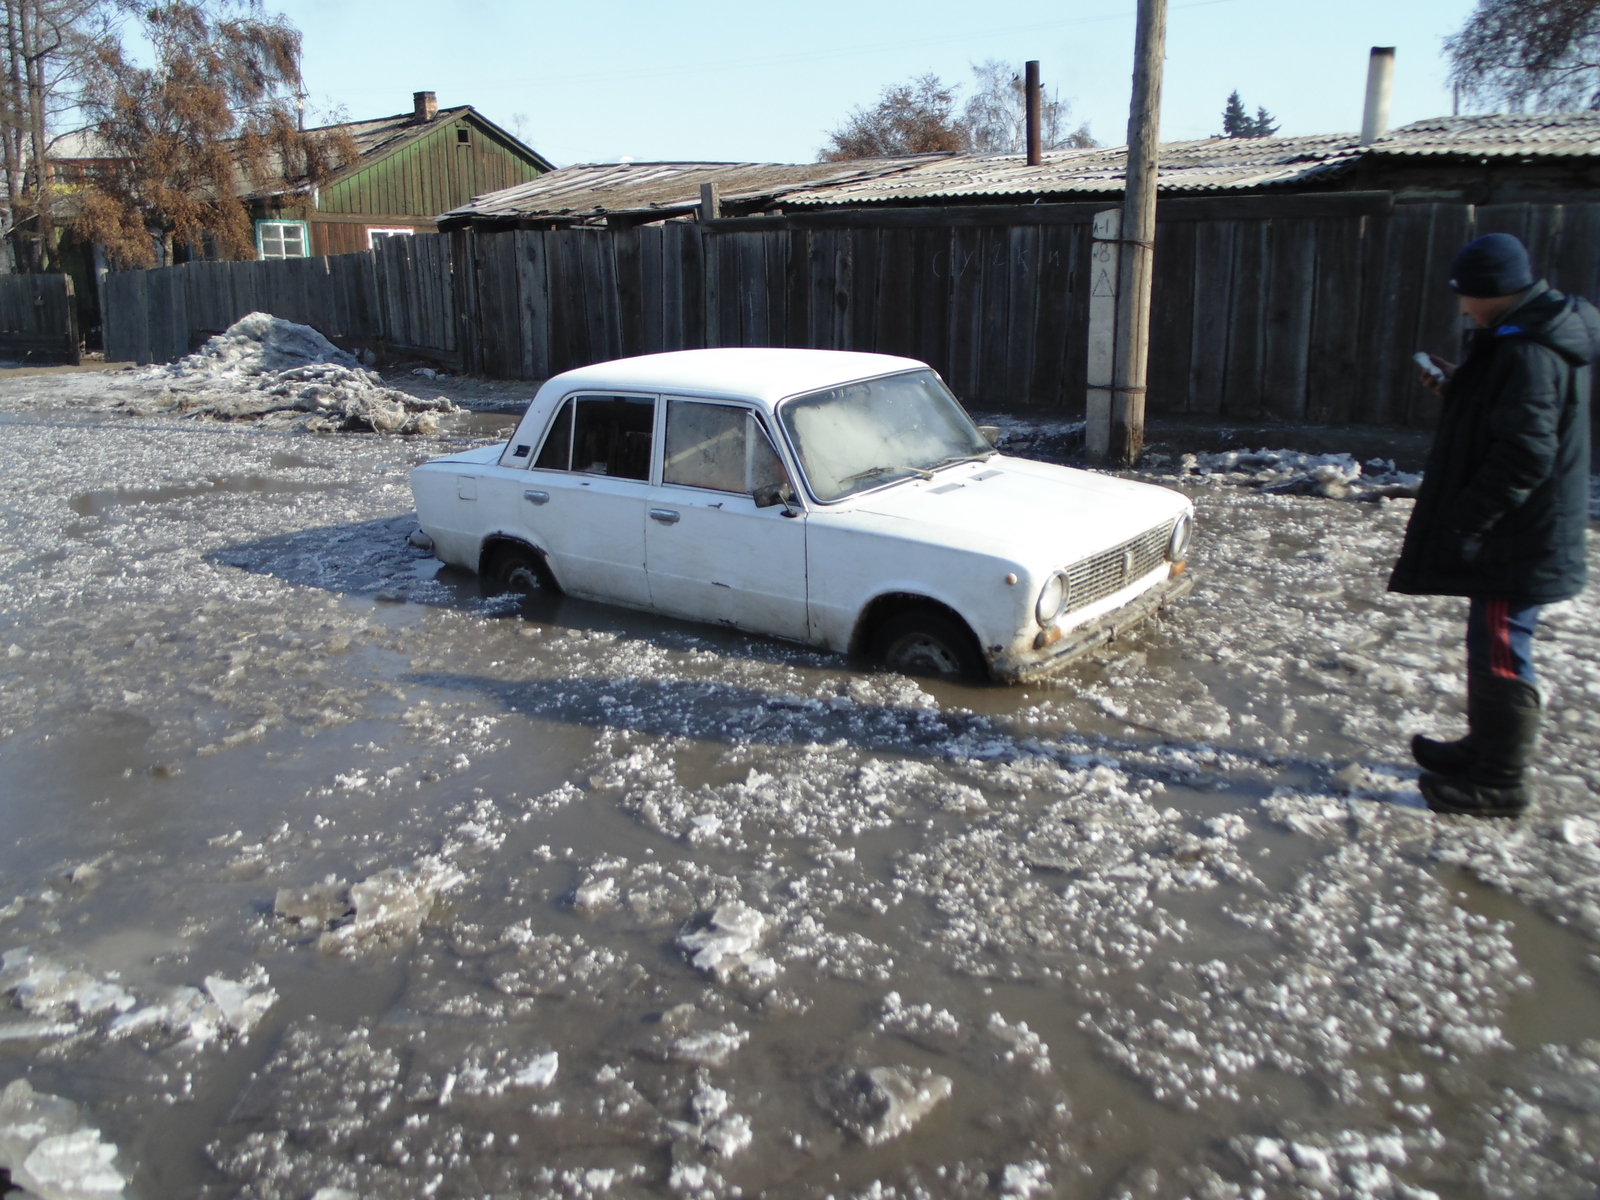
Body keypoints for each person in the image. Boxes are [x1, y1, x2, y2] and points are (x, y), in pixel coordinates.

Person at [1390, 232, 1597, 818]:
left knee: (1504, 648)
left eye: (1466, 296)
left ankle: (1501, 783)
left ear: (1495, 292)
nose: (1461, 307)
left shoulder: (1529, 351)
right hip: (1521, 530)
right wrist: (1461, 387)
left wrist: (1468, 521)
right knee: (1490, 643)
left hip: (1520, 537)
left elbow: (1527, 454)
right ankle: (1483, 750)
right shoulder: (1526, 334)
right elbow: (1510, 415)